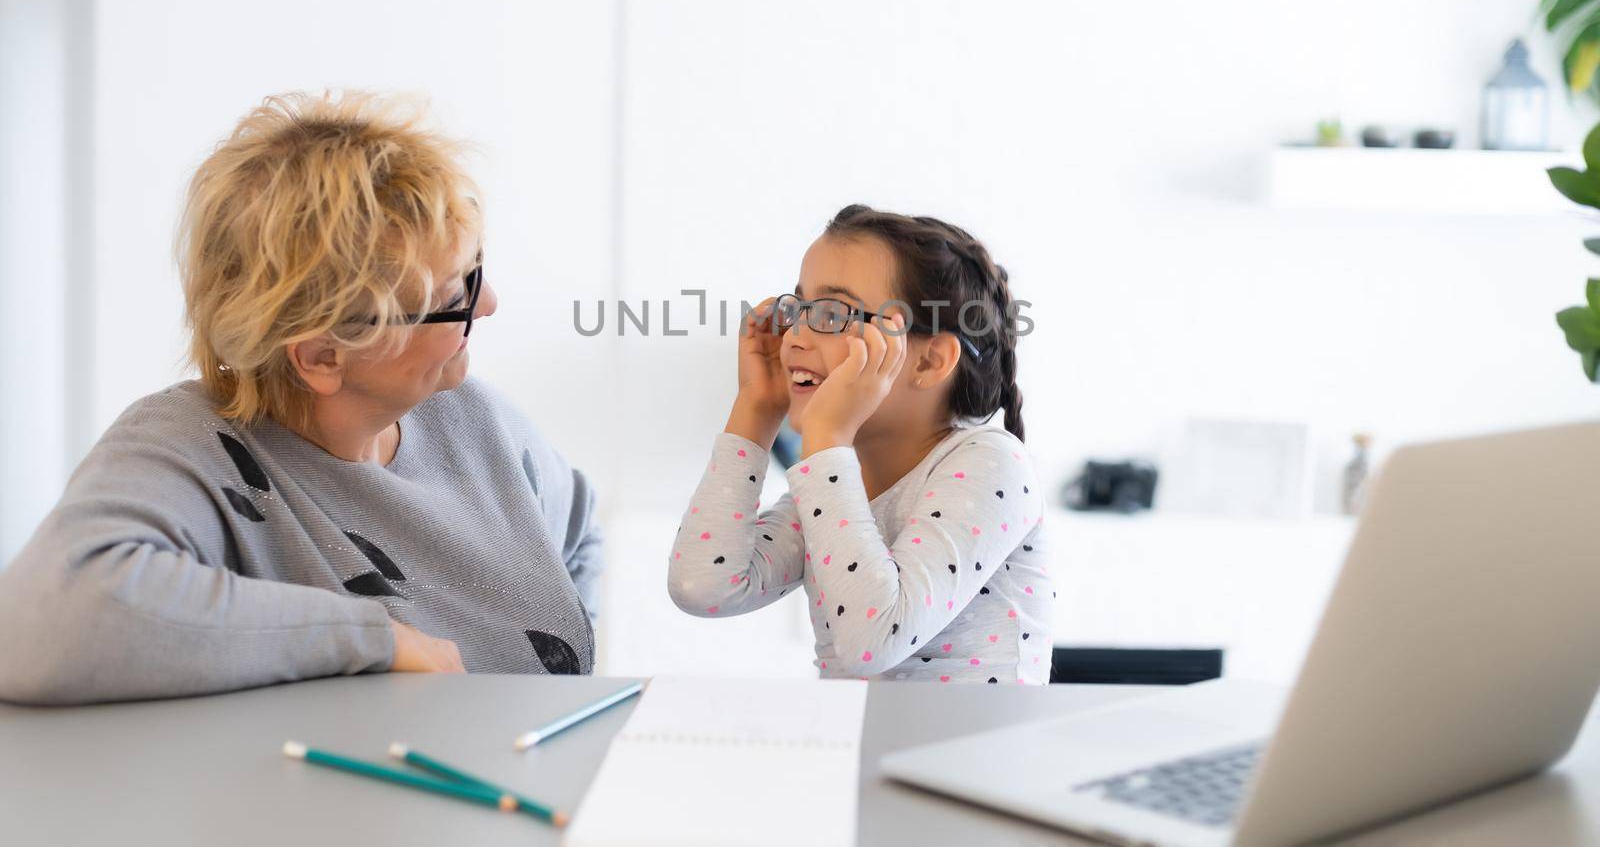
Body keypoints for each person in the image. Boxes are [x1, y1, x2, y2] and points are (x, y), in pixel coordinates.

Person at [0, 91, 602, 704]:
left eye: (474, 269)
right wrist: (372, 640)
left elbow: (581, 536)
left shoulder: (477, 421)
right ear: (322, 357)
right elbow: (44, 622)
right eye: (455, 295)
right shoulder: (190, 449)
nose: (489, 304)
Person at [667, 204, 1051, 683]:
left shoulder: (992, 461)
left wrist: (826, 437)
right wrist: (756, 408)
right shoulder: (837, 489)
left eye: (832, 313)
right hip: (857, 754)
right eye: (798, 308)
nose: (795, 337)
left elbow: (872, 642)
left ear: (929, 362)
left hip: (965, 756)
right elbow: (701, 586)